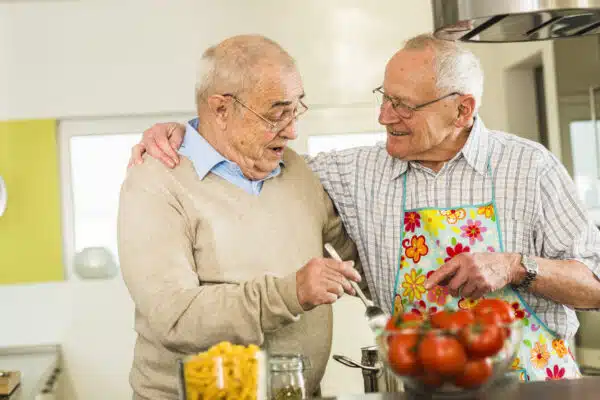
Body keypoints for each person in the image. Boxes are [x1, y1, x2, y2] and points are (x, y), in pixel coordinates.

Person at [132, 33, 600, 382]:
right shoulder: (352, 174)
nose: (383, 117)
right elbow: (246, 150)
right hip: (418, 389)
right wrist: (187, 135)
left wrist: (518, 266)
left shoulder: (529, 167)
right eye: (384, 99)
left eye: (403, 105)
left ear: (462, 111)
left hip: (535, 387)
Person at [118, 34, 363, 400]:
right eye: (277, 113)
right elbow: (175, 317)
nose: (293, 130)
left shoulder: (296, 170)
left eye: (296, 109)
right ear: (220, 109)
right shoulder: (155, 181)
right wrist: (291, 291)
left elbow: (354, 256)